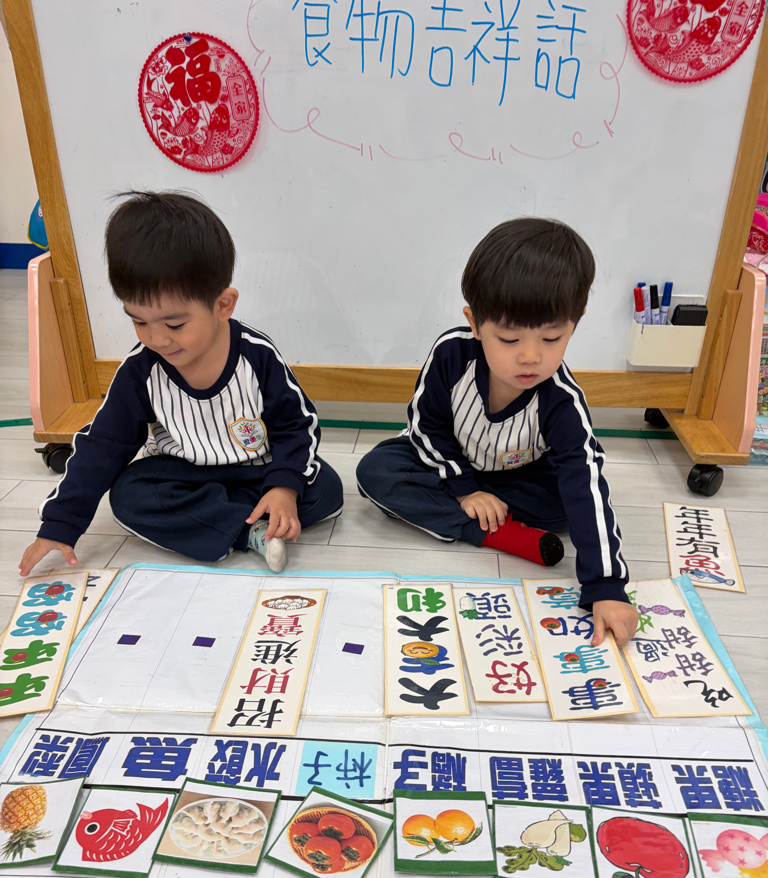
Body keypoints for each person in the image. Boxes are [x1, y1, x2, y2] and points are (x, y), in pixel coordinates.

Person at [18, 191, 343, 577]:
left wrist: (284, 489)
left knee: (326, 488)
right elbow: (103, 446)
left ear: (222, 305)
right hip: (185, 475)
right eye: (138, 321)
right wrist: (60, 523)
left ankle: (240, 515)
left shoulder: (257, 356)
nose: (157, 338)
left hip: (259, 469)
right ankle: (251, 531)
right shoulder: (140, 371)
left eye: (174, 324)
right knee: (129, 496)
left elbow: (296, 425)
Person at [356, 218, 638, 647]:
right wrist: (465, 488)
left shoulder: (561, 400)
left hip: (519, 477)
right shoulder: (451, 355)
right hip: (450, 464)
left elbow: (584, 477)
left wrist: (606, 587)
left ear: (575, 322)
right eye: (508, 339)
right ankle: (493, 530)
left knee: (570, 502)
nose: (531, 357)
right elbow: (426, 425)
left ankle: (482, 514)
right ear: (474, 323)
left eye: (552, 338)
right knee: (376, 471)